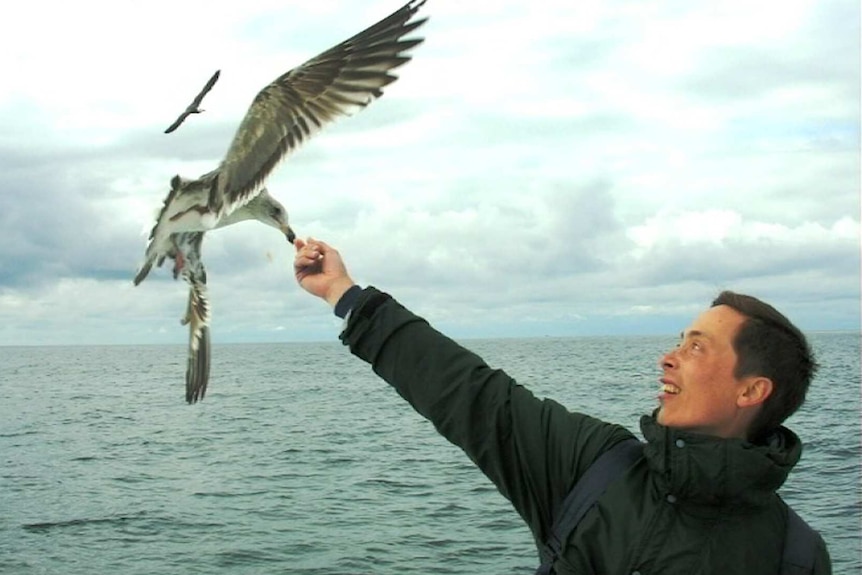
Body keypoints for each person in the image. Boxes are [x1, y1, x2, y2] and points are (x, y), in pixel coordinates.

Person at [292, 237, 832, 574]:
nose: (668, 358)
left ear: (751, 391)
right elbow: (473, 395)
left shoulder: (797, 558)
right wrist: (345, 294)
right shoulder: (595, 466)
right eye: (678, 340)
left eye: (696, 347)